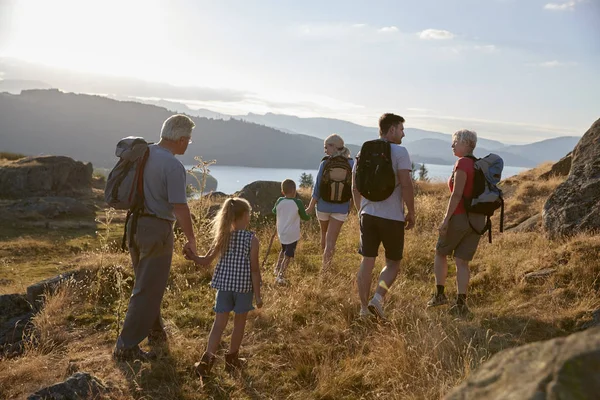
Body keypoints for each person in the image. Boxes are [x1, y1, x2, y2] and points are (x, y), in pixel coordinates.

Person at [113, 114, 197, 361]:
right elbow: (180, 207)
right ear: (181, 139)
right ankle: (126, 347)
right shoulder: (172, 165)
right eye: (188, 141)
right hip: (156, 230)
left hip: (134, 225)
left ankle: (156, 333)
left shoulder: (144, 153)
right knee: (148, 288)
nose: (188, 144)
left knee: (147, 283)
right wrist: (191, 239)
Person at [186, 197, 263, 376]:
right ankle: (232, 360)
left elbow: (205, 261)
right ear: (245, 216)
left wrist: (192, 256)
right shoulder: (252, 240)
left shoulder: (222, 236)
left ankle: (206, 361)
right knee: (239, 324)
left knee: (219, 324)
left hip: (224, 287)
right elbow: (255, 270)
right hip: (243, 289)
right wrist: (258, 295)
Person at [352, 113, 415, 319]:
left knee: (367, 261)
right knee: (392, 262)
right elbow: (406, 184)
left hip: (368, 214)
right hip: (392, 217)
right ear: (392, 130)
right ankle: (378, 298)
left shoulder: (364, 151)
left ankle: (363, 309)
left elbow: (355, 186)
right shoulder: (400, 151)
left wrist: (360, 210)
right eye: (401, 129)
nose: (403, 134)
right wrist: (411, 211)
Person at [427, 129, 486, 316]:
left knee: (440, 252)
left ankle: (440, 295)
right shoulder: (479, 165)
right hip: (478, 220)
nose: (452, 145)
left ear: (466, 144)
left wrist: (446, 220)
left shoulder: (462, 164)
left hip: (460, 217)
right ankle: (461, 303)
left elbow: (457, 194)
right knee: (462, 262)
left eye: (455, 142)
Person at [306, 134, 354, 273]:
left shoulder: (325, 163)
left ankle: (324, 263)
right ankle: (325, 269)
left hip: (323, 206)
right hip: (341, 207)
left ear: (333, 146)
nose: (325, 150)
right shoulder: (351, 164)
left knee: (324, 235)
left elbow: (317, 188)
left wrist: (310, 207)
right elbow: (354, 189)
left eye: (326, 147)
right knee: (331, 240)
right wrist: (350, 207)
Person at [272, 179, 311, 285]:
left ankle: (277, 268)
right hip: (292, 234)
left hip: (282, 232)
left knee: (283, 250)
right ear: (294, 190)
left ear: (282, 191)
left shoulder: (279, 201)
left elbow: (274, 211)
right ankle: (281, 275)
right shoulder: (297, 202)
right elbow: (304, 217)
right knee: (288, 256)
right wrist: (309, 214)